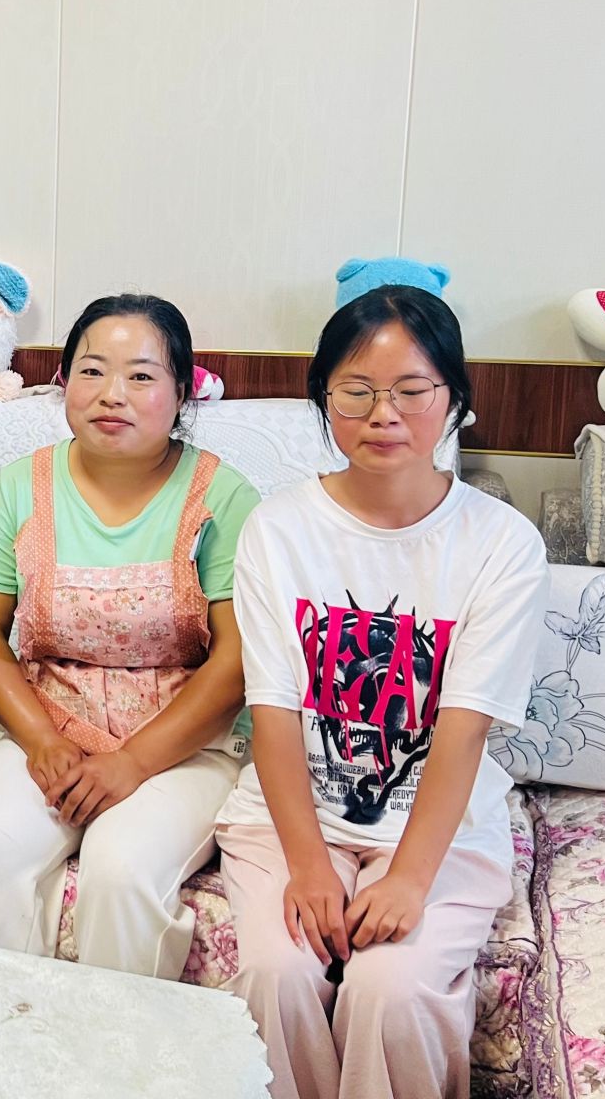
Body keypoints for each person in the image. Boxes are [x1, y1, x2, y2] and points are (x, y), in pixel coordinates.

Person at [215, 285, 546, 1099]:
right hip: (289, 821)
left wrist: (408, 879)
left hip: (438, 831)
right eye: (355, 391)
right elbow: (273, 711)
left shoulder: (501, 543)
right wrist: (307, 865)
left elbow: (464, 727)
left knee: (390, 991)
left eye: (411, 390)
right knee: (276, 974)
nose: (382, 414)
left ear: (454, 399)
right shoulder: (279, 529)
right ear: (324, 399)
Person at [0, 295, 259, 977]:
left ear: (183, 392)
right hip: (48, 729)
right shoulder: (22, 487)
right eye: (91, 371)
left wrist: (133, 762)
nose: (112, 394)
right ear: (65, 384)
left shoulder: (223, 497)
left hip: (183, 746)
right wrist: (42, 740)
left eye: (141, 376)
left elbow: (236, 662)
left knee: (121, 868)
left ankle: (119, 1044)